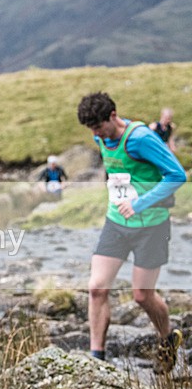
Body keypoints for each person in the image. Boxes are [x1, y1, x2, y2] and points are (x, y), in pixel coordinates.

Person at [77, 92, 186, 373]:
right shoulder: (101, 138)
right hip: (116, 223)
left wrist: (139, 203)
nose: (96, 135)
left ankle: (167, 340)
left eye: (98, 127)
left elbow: (177, 175)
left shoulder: (141, 139)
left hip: (152, 226)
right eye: (91, 129)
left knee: (142, 295)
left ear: (113, 116)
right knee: (97, 288)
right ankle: (97, 359)